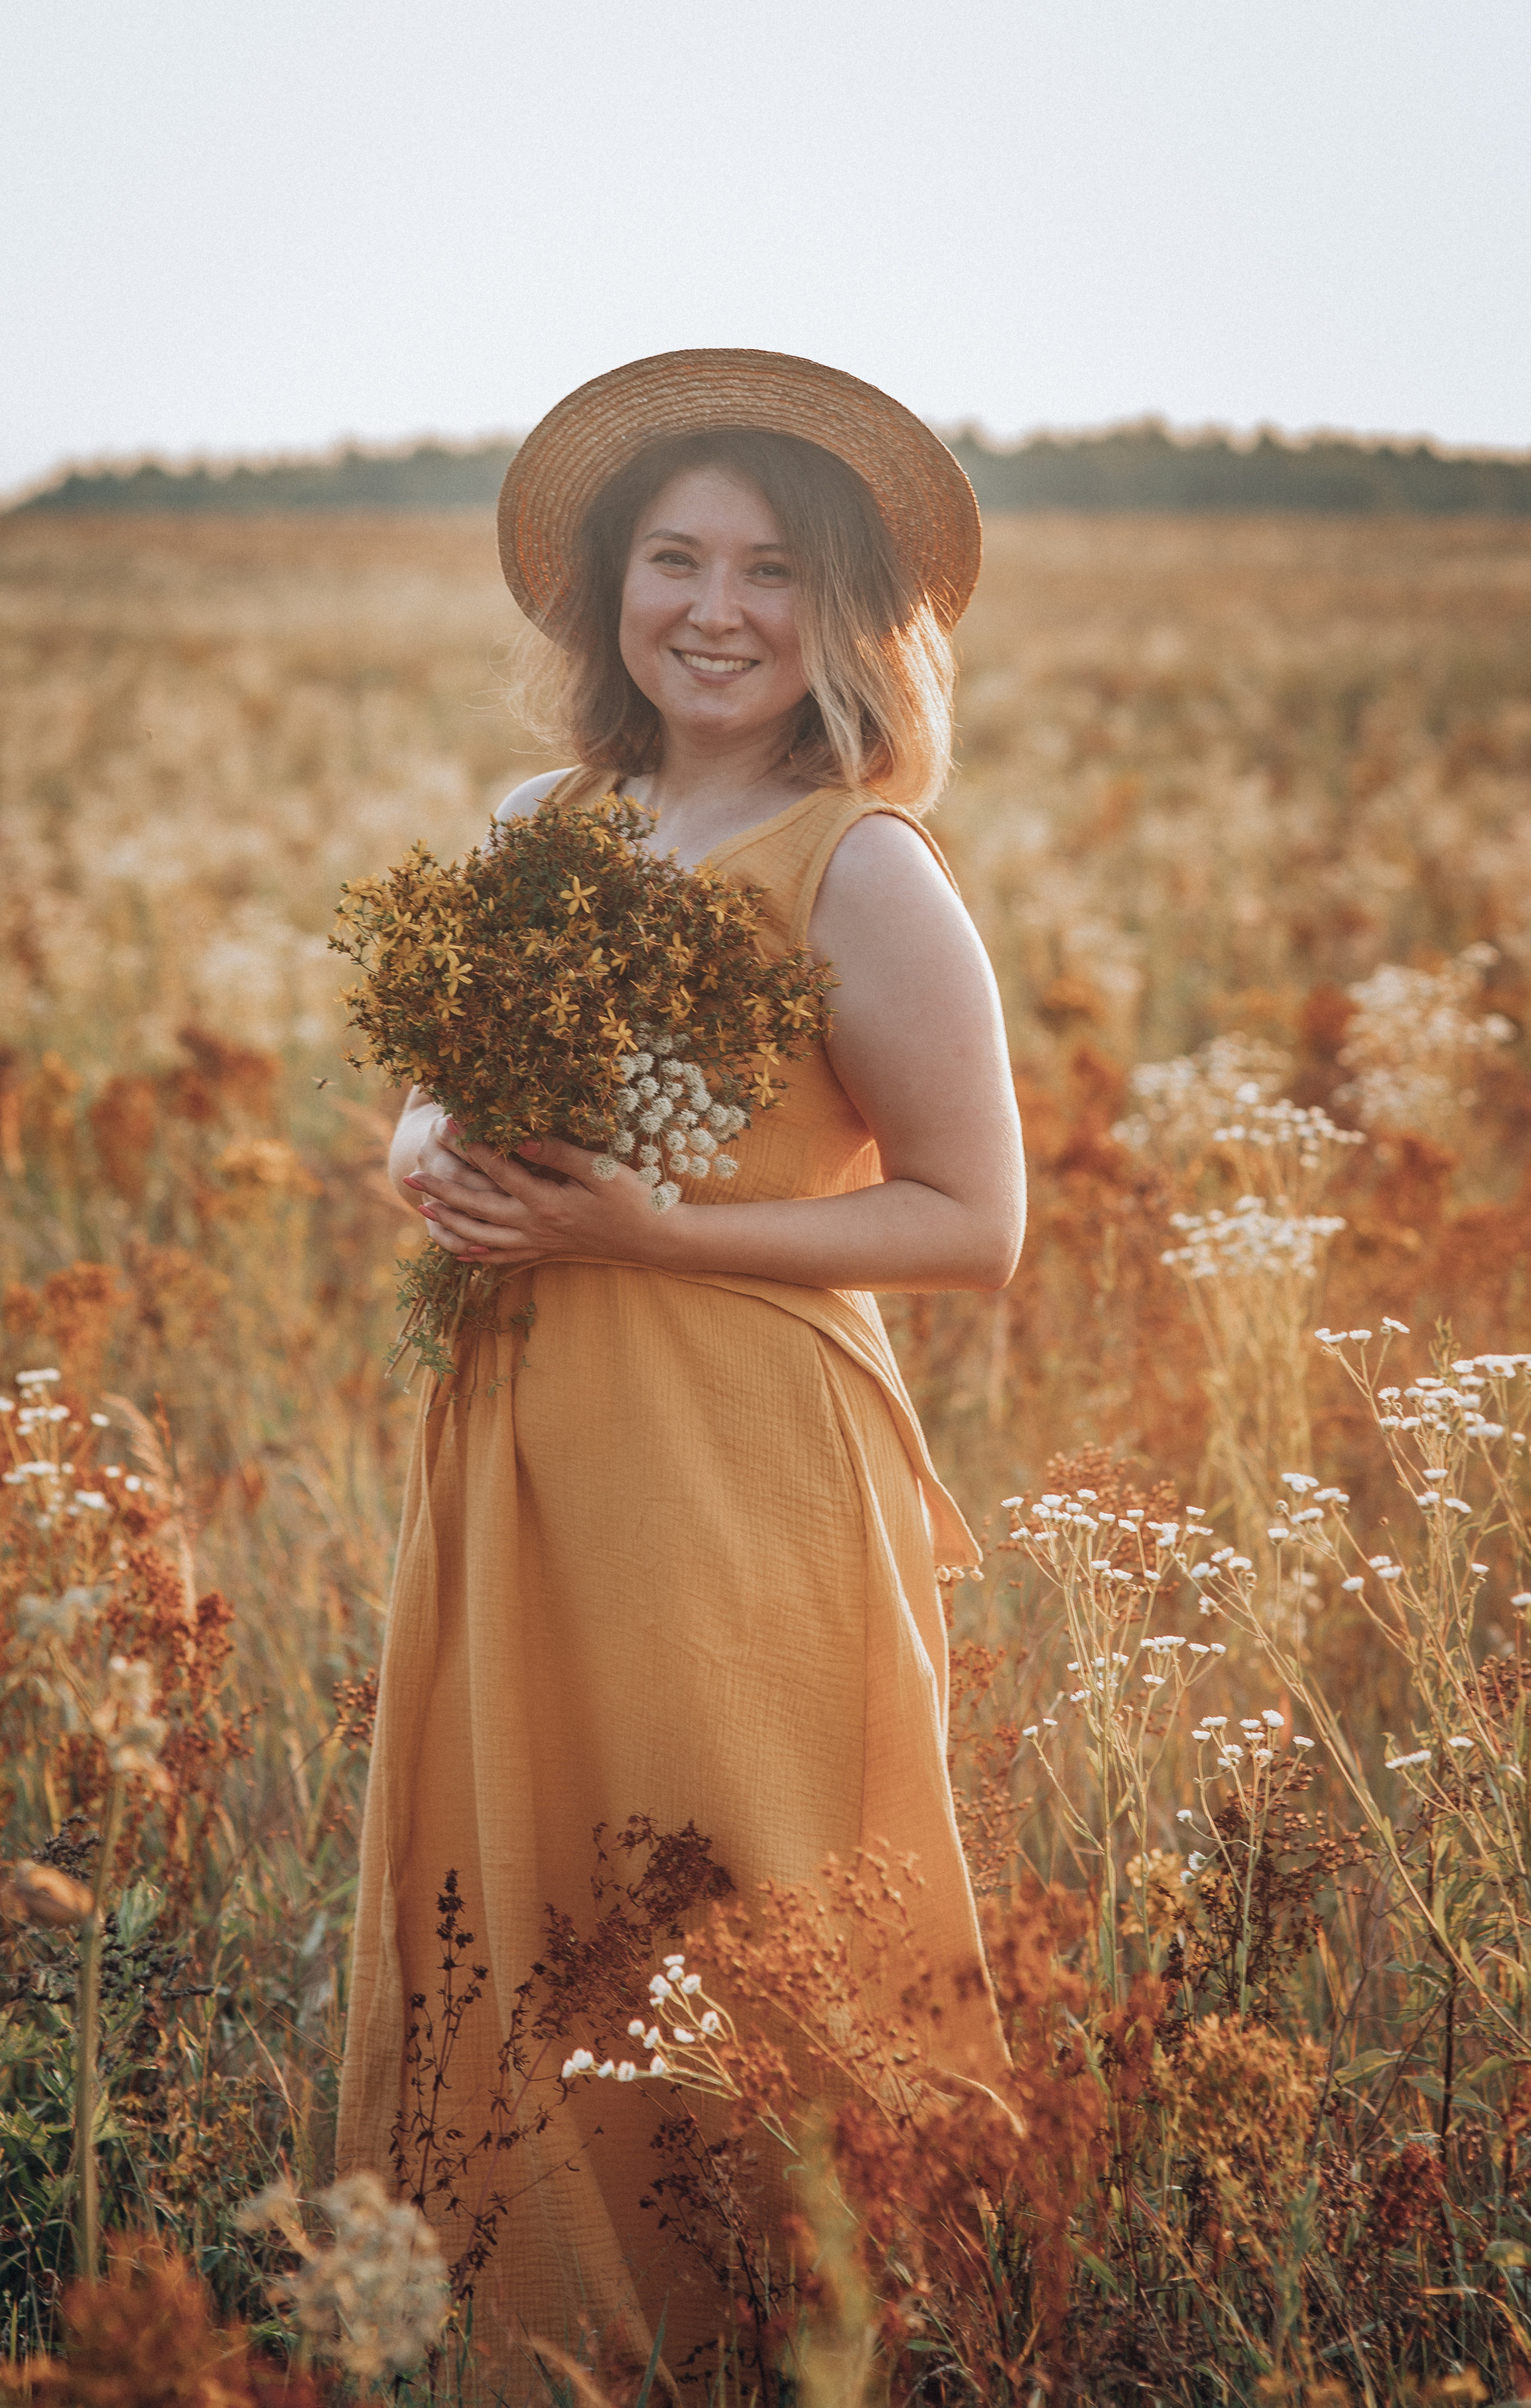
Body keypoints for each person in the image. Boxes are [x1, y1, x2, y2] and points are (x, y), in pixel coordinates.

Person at [336, 348, 1026, 2368]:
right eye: (673, 561)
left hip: (743, 1471)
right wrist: (423, 1157)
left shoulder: (862, 865)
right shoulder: (541, 822)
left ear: (846, 615)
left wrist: (653, 1227)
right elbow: (426, 1107)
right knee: (525, 1879)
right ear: (608, 596)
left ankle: (796, 2339)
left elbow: (975, 1228)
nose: (714, 610)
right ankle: (540, 2340)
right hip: (529, 1439)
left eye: (770, 572)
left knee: (738, 1889)